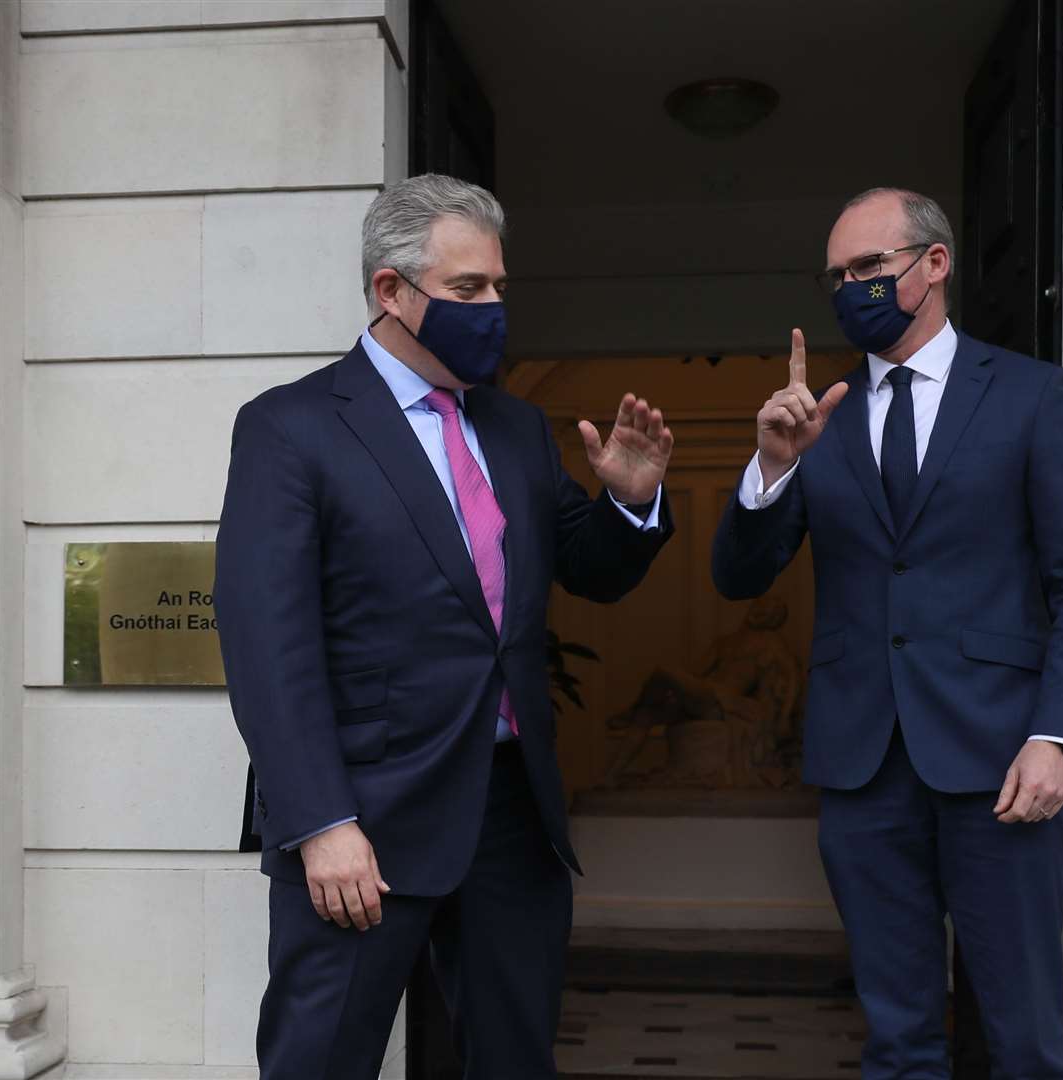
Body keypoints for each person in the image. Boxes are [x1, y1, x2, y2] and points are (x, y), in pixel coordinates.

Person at [214, 174, 675, 1080]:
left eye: (499, 287)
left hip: (512, 812)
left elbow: (590, 570)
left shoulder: (517, 428)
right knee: (322, 1060)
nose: (494, 308)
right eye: (469, 290)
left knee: (514, 1059)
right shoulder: (291, 428)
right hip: (365, 820)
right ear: (392, 290)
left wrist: (630, 500)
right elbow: (268, 645)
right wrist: (320, 821)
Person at [712, 187, 1063, 1078]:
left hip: (1001, 763)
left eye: (869, 267)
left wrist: (1058, 737)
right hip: (864, 769)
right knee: (896, 1039)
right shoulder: (818, 417)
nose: (849, 286)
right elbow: (738, 577)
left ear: (933, 264)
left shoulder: (1028, 395)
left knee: (1022, 1037)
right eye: (837, 275)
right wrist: (771, 467)